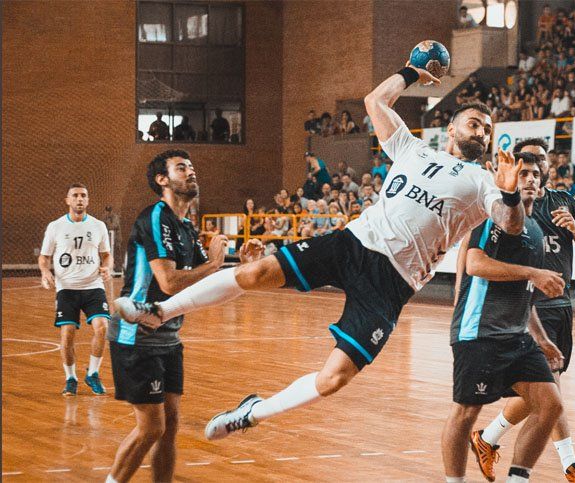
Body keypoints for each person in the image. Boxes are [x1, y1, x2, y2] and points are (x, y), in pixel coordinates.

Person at [115, 65, 530, 443]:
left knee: (334, 379)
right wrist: (411, 72)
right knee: (255, 273)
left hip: (392, 284)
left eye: (487, 129)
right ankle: (160, 312)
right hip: (353, 244)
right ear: (451, 128)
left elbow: (510, 224)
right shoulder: (414, 148)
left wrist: (510, 194)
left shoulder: (484, 182)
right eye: (474, 123)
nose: (482, 132)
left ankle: (252, 413)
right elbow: (375, 101)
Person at [104, 150, 264, 482]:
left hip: (169, 337)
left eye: (191, 167)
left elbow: (206, 281)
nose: (191, 172)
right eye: (181, 168)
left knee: (171, 425)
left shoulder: (187, 228)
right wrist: (215, 264)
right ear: (162, 180)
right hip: (137, 335)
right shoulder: (154, 217)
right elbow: (168, 281)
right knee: (151, 428)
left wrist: (243, 266)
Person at [468, 139, 575, 483]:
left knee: (544, 391)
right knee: (548, 388)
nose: (532, 172)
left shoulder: (563, 201)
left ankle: (487, 438)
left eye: (539, 163)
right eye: (525, 166)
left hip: (562, 306)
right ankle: (569, 464)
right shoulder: (509, 209)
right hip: (529, 310)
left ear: (547, 168)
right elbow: (476, 260)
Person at [443, 152, 565, 483]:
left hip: (516, 337)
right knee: (465, 413)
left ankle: (517, 479)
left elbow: (526, 292)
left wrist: (541, 338)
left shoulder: (536, 231)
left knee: (550, 405)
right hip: (479, 332)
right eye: (523, 173)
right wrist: (533, 272)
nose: (530, 179)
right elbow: (475, 264)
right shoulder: (492, 216)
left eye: (535, 174)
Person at [39, 184, 112, 396]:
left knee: (102, 328)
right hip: (67, 288)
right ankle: (70, 378)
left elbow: (106, 254)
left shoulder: (98, 226)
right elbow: (44, 257)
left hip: (93, 286)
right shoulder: (56, 226)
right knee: (68, 333)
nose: (79, 199)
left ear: (87, 200)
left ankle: (93, 373)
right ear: (68, 200)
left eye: (83, 195)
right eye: (75, 195)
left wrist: (107, 267)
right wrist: (45, 271)